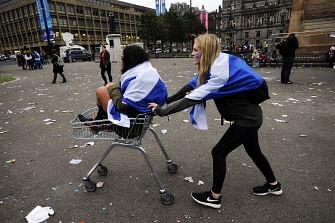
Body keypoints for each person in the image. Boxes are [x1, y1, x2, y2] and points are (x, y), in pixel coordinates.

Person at [148, 34, 282, 209]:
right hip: (251, 117)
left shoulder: (220, 73)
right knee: (254, 152)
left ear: (206, 51)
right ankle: (274, 185)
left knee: (218, 152)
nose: (192, 53)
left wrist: (162, 111)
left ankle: (214, 197)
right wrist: (167, 100)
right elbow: (192, 85)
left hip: (247, 120)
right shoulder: (216, 63)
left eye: (195, 50)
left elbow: (193, 97)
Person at [78, 45, 167, 134]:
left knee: (101, 91)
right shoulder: (149, 73)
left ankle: (98, 124)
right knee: (111, 86)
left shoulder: (140, 77)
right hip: (140, 121)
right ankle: (97, 124)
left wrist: (113, 88)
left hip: (129, 127)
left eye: (123, 56)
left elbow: (122, 106)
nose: (122, 59)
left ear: (130, 59)